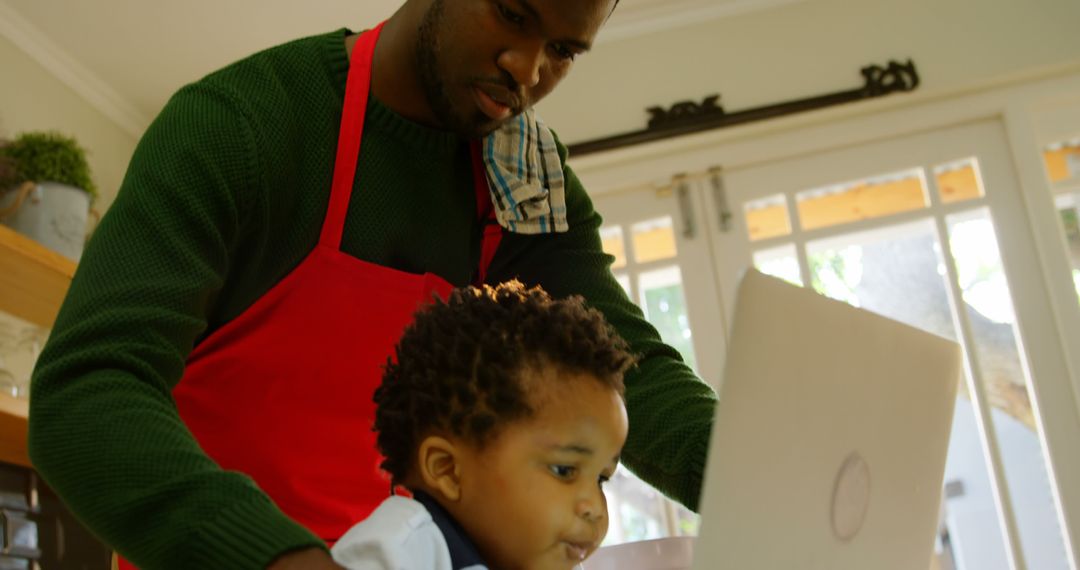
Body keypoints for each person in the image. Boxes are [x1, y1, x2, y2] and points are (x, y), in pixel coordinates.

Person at [27, 0, 718, 568]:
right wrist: (283, 561)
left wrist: (768, 478)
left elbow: (629, 375)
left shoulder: (524, 180)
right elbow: (89, 389)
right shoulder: (242, 126)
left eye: (565, 51)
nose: (527, 70)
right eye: (511, 14)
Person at [331, 281, 634, 570]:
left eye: (601, 479)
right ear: (448, 469)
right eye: (565, 471)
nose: (594, 507)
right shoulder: (398, 551)